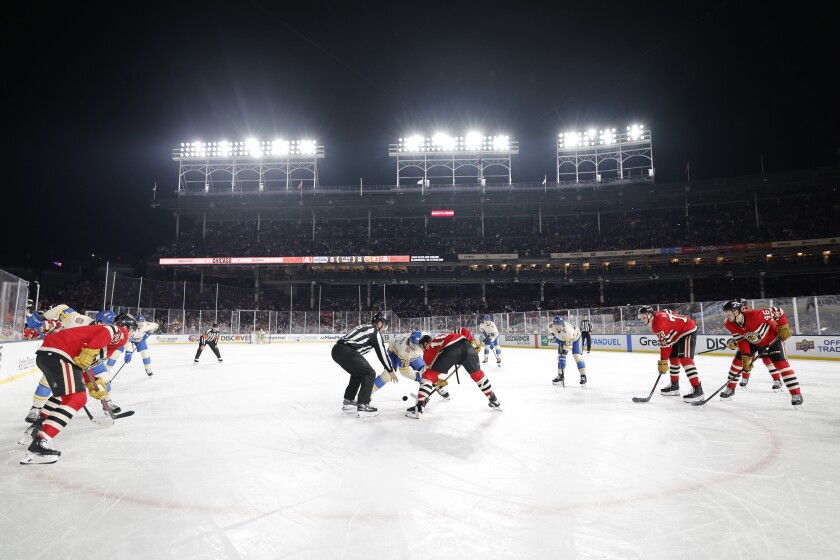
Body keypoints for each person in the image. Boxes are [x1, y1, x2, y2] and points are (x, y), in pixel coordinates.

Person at [18, 318, 132, 464]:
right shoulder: (122, 333)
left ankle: (37, 427)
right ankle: (41, 442)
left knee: (64, 397)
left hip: (51, 353)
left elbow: (84, 366)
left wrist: (92, 385)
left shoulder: (104, 345)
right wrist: (91, 351)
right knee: (77, 399)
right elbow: (110, 330)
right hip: (61, 353)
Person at [22, 308, 126, 422]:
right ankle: (36, 408)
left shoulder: (111, 333)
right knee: (47, 381)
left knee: (104, 378)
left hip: (90, 358)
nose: (104, 326)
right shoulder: (78, 320)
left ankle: (107, 402)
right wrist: (41, 318)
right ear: (98, 321)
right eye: (102, 322)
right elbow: (61, 308)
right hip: (65, 354)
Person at [720, 300, 803, 407]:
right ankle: (730, 388)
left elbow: (779, 311)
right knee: (737, 362)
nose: (726, 315)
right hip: (752, 342)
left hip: (772, 340)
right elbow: (741, 340)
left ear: (736, 312)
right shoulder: (729, 323)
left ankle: (796, 394)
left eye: (728, 313)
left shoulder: (755, 315)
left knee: (781, 365)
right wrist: (746, 356)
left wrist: (783, 326)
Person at [405, 327, 500, 419]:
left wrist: (436, 383)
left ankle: (419, 407)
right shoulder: (445, 335)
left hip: (450, 350)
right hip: (467, 346)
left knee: (427, 375)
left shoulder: (428, 349)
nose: (422, 349)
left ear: (424, 343)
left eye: (421, 346)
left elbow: (431, 375)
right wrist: (472, 343)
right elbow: (463, 330)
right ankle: (493, 399)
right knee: (478, 375)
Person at [332, 312, 395, 418]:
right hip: (346, 350)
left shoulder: (366, 327)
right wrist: (390, 370)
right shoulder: (375, 332)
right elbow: (382, 353)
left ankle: (348, 400)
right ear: (379, 323)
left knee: (358, 372)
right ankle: (363, 405)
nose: (384, 327)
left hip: (337, 350)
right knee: (369, 373)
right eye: (383, 324)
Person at [637, 306, 704, 402]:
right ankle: (674, 386)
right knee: (673, 357)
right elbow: (668, 311)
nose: (642, 320)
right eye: (641, 318)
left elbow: (665, 346)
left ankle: (698, 390)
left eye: (644, 317)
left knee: (685, 359)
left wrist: (663, 362)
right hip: (677, 333)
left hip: (687, 330)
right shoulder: (656, 314)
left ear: (650, 315)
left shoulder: (657, 325)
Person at [372, 330, 450, 399]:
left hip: (412, 354)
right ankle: (368, 393)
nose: (413, 347)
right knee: (388, 375)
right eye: (412, 345)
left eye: (415, 345)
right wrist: (419, 377)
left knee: (426, 372)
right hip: (394, 352)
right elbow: (404, 372)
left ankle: (437, 387)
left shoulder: (424, 337)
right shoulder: (405, 350)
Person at [547, 317, 588, 386]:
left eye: (558, 325)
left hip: (575, 339)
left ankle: (583, 376)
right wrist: (557, 337)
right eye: (555, 325)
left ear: (562, 324)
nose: (557, 327)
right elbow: (554, 333)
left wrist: (563, 353)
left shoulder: (568, 330)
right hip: (563, 339)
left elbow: (568, 346)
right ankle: (560, 375)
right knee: (561, 357)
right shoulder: (550, 326)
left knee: (577, 356)